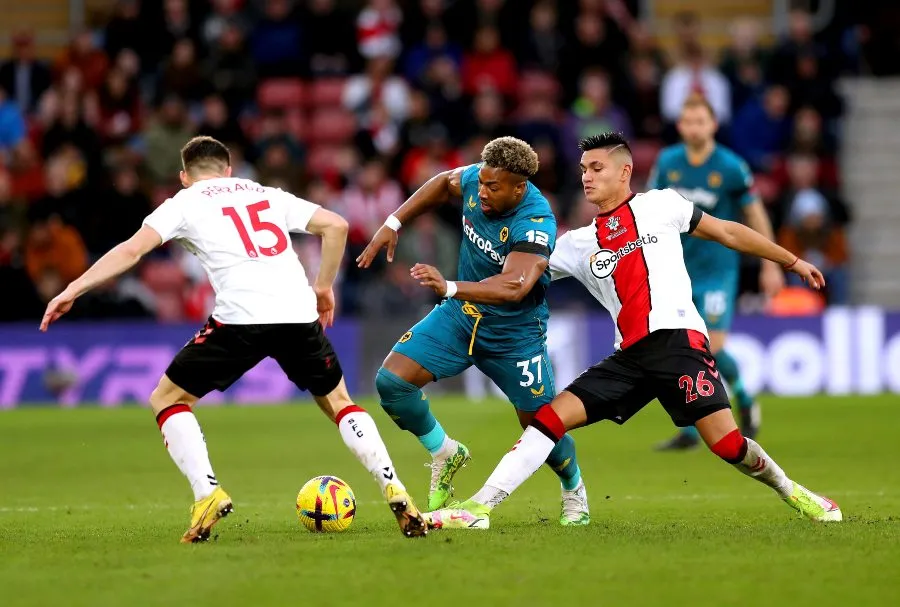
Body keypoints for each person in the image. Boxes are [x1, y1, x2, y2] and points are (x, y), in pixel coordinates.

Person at [426, 132, 841, 529]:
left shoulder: (662, 205)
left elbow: (728, 231)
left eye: (597, 167)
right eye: (583, 169)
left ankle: (794, 492)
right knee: (548, 419)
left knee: (729, 446)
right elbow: (517, 277)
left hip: (679, 343)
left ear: (624, 172)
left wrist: (790, 262)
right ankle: (479, 507)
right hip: (630, 357)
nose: (587, 176)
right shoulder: (576, 244)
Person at [39, 136, 427, 542]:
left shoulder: (184, 202)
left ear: (185, 176)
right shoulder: (264, 193)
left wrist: (73, 289)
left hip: (241, 319)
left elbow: (131, 252)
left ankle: (207, 493)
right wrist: (324, 286)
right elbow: (337, 225)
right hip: (298, 313)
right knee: (340, 403)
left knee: (167, 399)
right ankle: (393, 486)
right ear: (228, 170)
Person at [356, 136, 590, 525]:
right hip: (461, 317)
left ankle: (574, 489)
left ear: (519, 187)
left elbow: (514, 286)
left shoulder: (535, 220)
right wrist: (393, 222)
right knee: (392, 383)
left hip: (514, 335)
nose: (480, 191)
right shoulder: (475, 182)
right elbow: (443, 182)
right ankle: (445, 452)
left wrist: (448, 286)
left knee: (541, 424)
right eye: (480, 181)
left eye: (492, 187)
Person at [648, 95, 784, 450]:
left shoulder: (730, 166)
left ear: (712, 125)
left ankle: (745, 399)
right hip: (674, 268)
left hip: (717, 271)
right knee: (679, 347)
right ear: (680, 126)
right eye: (687, 121)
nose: (694, 127)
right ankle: (692, 431)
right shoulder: (667, 162)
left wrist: (771, 263)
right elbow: (648, 209)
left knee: (711, 345)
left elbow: (754, 215)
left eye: (700, 121)